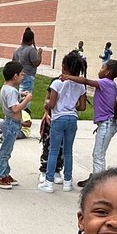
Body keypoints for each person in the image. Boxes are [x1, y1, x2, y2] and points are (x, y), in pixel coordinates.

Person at [61, 58, 117, 185]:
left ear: (108, 72)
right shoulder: (111, 84)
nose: (100, 70)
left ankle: (98, 184)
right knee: (97, 153)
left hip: (107, 124)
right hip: (106, 123)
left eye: (102, 68)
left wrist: (68, 77)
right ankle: (96, 178)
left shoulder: (105, 82)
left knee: (98, 155)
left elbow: (86, 81)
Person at [38, 52, 88, 193]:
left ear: (64, 66)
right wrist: (71, 106)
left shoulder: (57, 83)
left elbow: (52, 104)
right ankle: (67, 182)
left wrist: (48, 103)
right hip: (72, 118)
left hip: (59, 118)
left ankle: (48, 182)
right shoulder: (80, 86)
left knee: (53, 150)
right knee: (68, 152)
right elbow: (82, 107)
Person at [0, 62, 31, 188]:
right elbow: (15, 109)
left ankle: (5, 173)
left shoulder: (6, 88)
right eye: (21, 74)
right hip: (11, 123)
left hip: (10, 122)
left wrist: (21, 95)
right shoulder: (12, 91)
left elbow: (12, 101)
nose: (23, 77)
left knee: (7, 150)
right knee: (5, 151)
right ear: (15, 76)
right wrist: (27, 99)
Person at [11, 27, 42, 107]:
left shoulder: (17, 50)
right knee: (25, 98)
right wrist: (39, 54)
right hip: (28, 76)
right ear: (31, 40)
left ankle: (18, 111)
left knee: (19, 95)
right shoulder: (31, 50)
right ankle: (24, 114)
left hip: (18, 75)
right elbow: (36, 63)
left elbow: (13, 62)